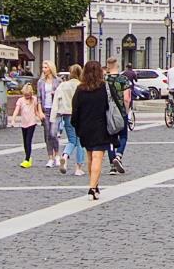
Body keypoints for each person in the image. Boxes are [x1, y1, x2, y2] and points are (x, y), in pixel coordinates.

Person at [70, 61, 116, 199]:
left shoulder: (80, 89)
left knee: (90, 156)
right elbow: (111, 106)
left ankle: (94, 186)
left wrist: (76, 125)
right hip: (101, 126)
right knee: (98, 157)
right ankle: (92, 188)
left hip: (85, 127)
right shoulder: (104, 87)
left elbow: (75, 109)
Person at [54, 64, 84, 178]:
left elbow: (56, 100)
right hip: (80, 116)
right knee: (80, 142)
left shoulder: (63, 85)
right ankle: (78, 168)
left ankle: (65, 156)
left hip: (67, 115)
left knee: (72, 140)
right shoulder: (81, 85)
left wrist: (54, 116)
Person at [103, 58, 132, 176]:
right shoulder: (123, 79)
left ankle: (112, 166)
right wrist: (126, 111)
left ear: (108, 66)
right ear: (118, 65)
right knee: (123, 135)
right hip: (121, 112)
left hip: (107, 113)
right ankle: (119, 156)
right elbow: (127, 98)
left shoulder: (104, 80)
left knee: (110, 139)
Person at [9, 84, 42, 168]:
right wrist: (13, 120)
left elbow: (36, 111)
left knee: (28, 141)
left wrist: (40, 118)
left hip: (32, 123)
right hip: (23, 123)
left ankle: (27, 159)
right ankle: (28, 156)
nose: (27, 96)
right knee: (24, 142)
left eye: (28, 95)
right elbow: (16, 110)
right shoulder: (20, 100)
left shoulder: (34, 100)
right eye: (25, 95)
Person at [37, 63, 61, 167]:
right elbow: (38, 98)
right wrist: (39, 111)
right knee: (47, 135)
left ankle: (57, 154)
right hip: (45, 109)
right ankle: (50, 157)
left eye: (45, 67)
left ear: (51, 69)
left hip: (55, 109)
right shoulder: (40, 82)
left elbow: (61, 95)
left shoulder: (58, 81)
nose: (44, 69)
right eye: (43, 67)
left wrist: (55, 93)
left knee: (53, 133)